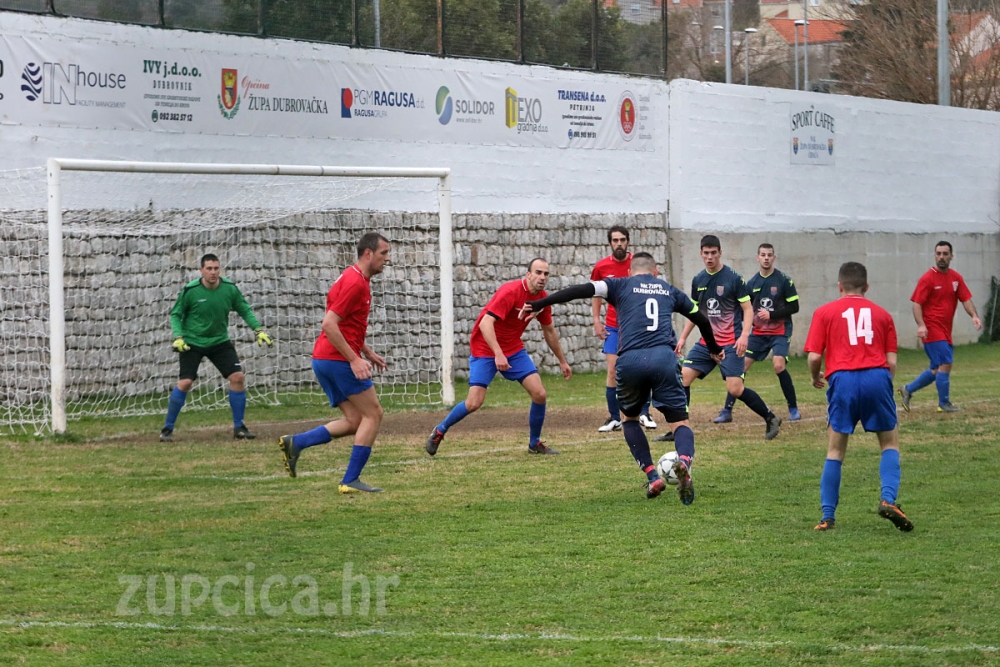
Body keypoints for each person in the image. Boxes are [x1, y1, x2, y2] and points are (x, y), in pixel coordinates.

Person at [520, 252, 724, 504]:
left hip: (630, 361)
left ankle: (652, 476)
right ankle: (683, 461)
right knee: (680, 423)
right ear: (655, 272)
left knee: (628, 419)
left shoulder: (619, 284)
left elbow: (579, 290)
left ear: (630, 271)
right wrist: (714, 348)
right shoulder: (669, 290)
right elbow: (702, 319)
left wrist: (541, 303)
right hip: (663, 358)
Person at [278, 233, 391, 493]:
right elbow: (329, 324)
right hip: (337, 359)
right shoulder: (356, 283)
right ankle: (350, 480)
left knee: (354, 420)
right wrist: (354, 359)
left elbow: (346, 324)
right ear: (368, 254)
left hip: (324, 359)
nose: (387, 258)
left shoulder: (354, 277)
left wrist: (367, 352)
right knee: (373, 414)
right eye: (384, 253)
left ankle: (296, 443)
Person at [805, 261, 913, 532]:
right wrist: (883, 384)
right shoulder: (883, 315)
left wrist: (815, 376)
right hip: (877, 376)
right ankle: (888, 499)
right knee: (889, 443)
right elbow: (891, 362)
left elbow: (814, 356)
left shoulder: (824, 312)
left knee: (835, 450)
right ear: (867, 286)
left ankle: (827, 517)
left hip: (842, 379)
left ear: (839, 285)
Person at [425, 258, 572, 457]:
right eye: (538, 272)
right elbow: (486, 323)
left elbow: (549, 331)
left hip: (513, 348)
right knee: (474, 402)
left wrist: (562, 360)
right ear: (528, 274)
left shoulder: (543, 300)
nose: (542, 277)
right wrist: (498, 353)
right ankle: (440, 430)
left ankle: (534, 443)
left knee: (540, 394)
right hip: (485, 347)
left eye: (546, 274)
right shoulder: (510, 291)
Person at [674, 235, 781, 441]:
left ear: (720, 253)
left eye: (714, 253)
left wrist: (744, 336)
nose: (710, 257)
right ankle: (680, 427)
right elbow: (695, 313)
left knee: (735, 388)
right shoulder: (698, 280)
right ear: (701, 254)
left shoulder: (733, 278)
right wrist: (683, 338)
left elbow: (748, 309)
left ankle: (770, 417)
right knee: (683, 379)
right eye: (706, 253)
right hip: (707, 343)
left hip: (731, 343)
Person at [160, 253, 273, 442]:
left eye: (216, 268)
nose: (213, 272)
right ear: (201, 270)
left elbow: (244, 308)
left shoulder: (229, 288)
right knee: (186, 382)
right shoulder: (191, 290)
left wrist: (258, 330)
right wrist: (178, 337)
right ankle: (167, 429)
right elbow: (175, 314)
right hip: (192, 342)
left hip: (219, 341)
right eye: (209, 269)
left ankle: (239, 428)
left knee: (237, 377)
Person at [714, 243, 801, 423]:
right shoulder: (751, 283)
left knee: (778, 365)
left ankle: (793, 407)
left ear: (774, 258)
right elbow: (743, 308)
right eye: (763, 255)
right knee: (740, 367)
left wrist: (772, 315)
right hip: (758, 334)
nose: (766, 258)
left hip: (780, 332)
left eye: (769, 255)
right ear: (757, 257)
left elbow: (795, 307)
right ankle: (727, 410)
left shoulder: (784, 280)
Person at [898, 241, 982, 413]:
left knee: (936, 369)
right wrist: (921, 325)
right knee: (945, 362)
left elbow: (965, 299)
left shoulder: (956, 278)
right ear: (935, 255)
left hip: (945, 331)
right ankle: (944, 403)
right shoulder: (928, 278)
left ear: (951, 256)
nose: (941, 257)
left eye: (945, 254)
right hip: (932, 330)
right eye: (938, 253)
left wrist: (974, 316)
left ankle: (908, 389)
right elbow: (916, 304)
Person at [591, 225, 656, 432]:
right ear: (610, 243)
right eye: (615, 240)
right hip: (613, 326)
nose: (619, 243)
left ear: (628, 242)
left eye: (622, 240)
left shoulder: (638, 264)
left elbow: (651, 288)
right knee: (612, 371)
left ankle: (645, 413)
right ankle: (614, 417)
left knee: (643, 368)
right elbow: (596, 293)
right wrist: (596, 319)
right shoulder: (601, 267)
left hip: (637, 326)